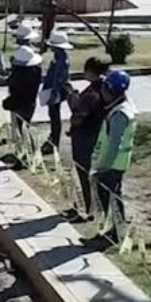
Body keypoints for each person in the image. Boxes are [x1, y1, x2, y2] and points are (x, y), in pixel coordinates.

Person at [92, 70, 136, 242]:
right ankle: (112, 231)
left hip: (112, 164)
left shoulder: (119, 114)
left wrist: (102, 167)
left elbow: (114, 145)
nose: (102, 92)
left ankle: (115, 234)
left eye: (104, 88)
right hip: (114, 163)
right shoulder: (121, 106)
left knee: (111, 199)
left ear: (111, 91)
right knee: (110, 197)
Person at [65, 57, 109, 221]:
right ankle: (88, 206)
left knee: (84, 173)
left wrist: (71, 97)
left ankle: (86, 209)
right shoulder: (106, 89)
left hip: (84, 136)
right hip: (98, 136)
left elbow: (79, 115)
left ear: (91, 71)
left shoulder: (91, 93)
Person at [41, 31, 72, 154]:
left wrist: (54, 93)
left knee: (54, 117)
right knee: (53, 115)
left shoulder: (61, 60)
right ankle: (53, 139)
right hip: (53, 90)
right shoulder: (59, 57)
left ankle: (55, 142)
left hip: (56, 91)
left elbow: (59, 78)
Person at [2, 46, 43, 135]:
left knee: (19, 127)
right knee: (26, 125)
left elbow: (13, 85)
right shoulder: (37, 70)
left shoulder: (19, 73)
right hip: (31, 103)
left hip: (19, 104)